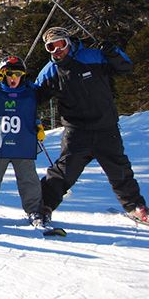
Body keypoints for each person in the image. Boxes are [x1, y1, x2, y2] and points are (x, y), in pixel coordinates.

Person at [35, 26, 147, 222]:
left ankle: (135, 207)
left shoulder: (93, 57)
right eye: (50, 47)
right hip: (77, 132)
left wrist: (113, 52)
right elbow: (34, 97)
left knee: (119, 169)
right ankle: (44, 206)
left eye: (60, 45)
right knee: (64, 172)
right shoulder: (50, 71)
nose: (57, 51)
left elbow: (125, 67)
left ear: (68, 42)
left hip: (106, 128)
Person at [0, 55, 49, 225]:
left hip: (23, 141)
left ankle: (34, 210)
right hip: (0, 143)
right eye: (10, 74)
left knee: (28, 178)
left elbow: (32, 112)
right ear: (3, 74)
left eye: (18, 74)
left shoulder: (29, 92)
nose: (14, 78)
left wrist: (38, 126)